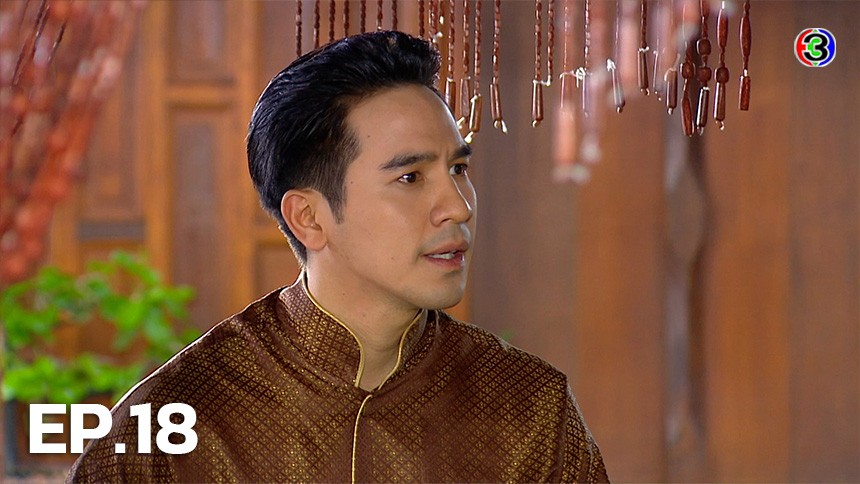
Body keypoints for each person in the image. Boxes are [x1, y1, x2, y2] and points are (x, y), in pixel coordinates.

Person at [68, 31, 608, 483]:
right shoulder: (172, 425)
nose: (458, 207)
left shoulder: (529, 408)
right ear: (309, 217)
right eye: (411, 177)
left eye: (458, 169)